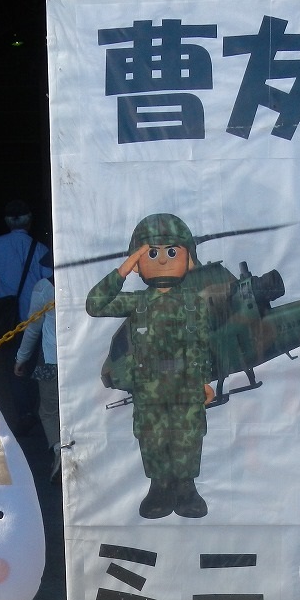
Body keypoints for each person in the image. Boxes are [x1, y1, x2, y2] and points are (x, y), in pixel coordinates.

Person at [87, 213, 214, 519]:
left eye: (172, 251)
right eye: (151, 253)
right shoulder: (137, 302)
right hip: (149, 386)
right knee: (152, 437)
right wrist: (124, 269)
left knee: (188, 435)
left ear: (189, 259)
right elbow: (95, 304)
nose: (163, 259)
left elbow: (203, 343)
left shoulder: (194, 302)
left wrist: (206, 380)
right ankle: (159, 488)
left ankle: (186, 489)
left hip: (186, 385)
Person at [14, 251, 59, 480]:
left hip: (52, 358)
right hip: (84, 358)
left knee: (49, 410)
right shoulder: (86, 284)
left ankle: (59, 451)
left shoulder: (44, 288)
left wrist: (21, 358)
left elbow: (33, 328)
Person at [0, 199, 50, 336]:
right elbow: (49, 283)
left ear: (7, 222)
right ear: (29, 221)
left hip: (4, 315)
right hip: (34, 315)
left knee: (5, 348)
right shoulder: (41, 249)